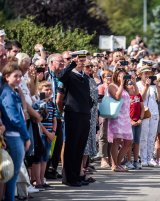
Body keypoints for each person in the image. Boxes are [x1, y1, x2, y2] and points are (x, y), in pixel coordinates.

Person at [57, 53, 92, 187]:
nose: (82, 62)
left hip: (84, 114)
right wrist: (71, 64)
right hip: (73, 114)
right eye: (79, 60)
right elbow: (60, 77)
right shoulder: (69, 75)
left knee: (79, 147)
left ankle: (77, 175)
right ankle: (68, 178)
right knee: (71, 147)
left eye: (84, 60)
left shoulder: (85, 77)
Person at [0, 62, 31, 201]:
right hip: (14, 136)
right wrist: (26, 136)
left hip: (16, 135)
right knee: (12, 173)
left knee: (12, 173)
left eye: (20, 76)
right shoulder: (7, 93)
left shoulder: (12, 91)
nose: (19, 79)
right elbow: (14, 119)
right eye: (15, 76)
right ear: (7, 77)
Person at [107, 69, 133, 172]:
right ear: (116, 76)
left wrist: (133, 81)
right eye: (120, 76)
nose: (122, 79)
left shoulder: (126, 88)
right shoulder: (112, 86)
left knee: (128, 142)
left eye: (124, 77)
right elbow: (117, 97)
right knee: (116, 141)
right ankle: (114, 165)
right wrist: (121, 84)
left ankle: (118, 163)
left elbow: (135, 92)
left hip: (126, 117)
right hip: (116, 117)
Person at [136, 65, 160, 167]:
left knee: (152, 137)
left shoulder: (153, 86)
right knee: (144, 136)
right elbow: (140, 98)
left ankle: (150, 157)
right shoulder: (138, 85)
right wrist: (146, 87)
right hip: (144, 113)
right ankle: (143, 158)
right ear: (140, 74)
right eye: (145, 73)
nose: (147, 75)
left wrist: (157, 86)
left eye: (149, 73)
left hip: (154, 112)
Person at [36, 81, 57, 189]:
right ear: (40, 91)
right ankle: (38, 180)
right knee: (39, 157)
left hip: (50, 134)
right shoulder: (39, 103)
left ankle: (42, 179)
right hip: (42, 133)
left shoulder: (52, 104)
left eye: (50, 90)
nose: (48, 92)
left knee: (45, 157)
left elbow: (54, 119)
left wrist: (53, 132)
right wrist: (47, 133)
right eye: (45, 90)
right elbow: (38, 120)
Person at [125, 78, 144, 170]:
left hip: (138, 121)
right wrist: (130, 121)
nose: (131, 85)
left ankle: (135, 161)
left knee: (136, 142)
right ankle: (128, 161)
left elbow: (142, 108)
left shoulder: (138, 95)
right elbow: (124, 110)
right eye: (129, 83)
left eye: (133, 83)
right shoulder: (125, 96)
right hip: (129, 122)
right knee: (129, 143)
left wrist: (141, 119)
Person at [97, 70, 113, 169]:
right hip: (103, 112)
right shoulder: (101, 87)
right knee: (103, 135)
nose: (109, 78)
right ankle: (104, 158)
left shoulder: (114, 87)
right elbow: (100, 101)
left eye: (111, 76)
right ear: (103, 77)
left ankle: (111, 157)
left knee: (112, 136)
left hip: (113, 113)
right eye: (107, 76)